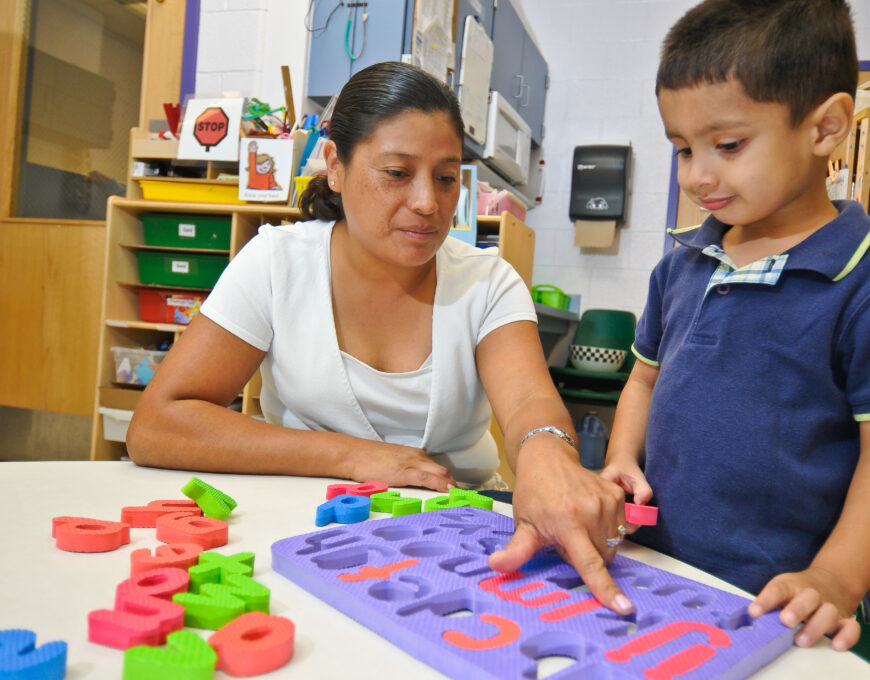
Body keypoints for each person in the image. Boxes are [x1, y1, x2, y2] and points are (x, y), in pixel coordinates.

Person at [127, 62, 633, 615]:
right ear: (335, 166)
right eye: (397, 172)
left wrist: (548, 455)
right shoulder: (277, 263)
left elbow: (530, 404)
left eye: (445, 177)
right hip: (302, 527)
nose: (428, 202)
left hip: (454, 535)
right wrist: (353, 456)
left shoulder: (486, 281)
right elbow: (158, 424)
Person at [600, 0, 870, 651]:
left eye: (728, 145)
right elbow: (643, 382)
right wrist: (621, 455)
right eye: (682, 149)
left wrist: (837, 577)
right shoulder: (682, 263)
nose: (698, 175)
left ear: (825, 127)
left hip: (779, 604)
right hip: (657, 569)